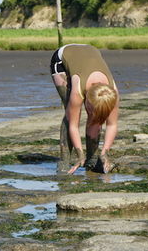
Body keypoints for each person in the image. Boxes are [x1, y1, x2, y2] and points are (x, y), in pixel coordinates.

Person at [50, 44, 119, 174]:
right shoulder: (78, 92)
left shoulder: (112, 94)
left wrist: (105, 153)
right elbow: (73, 125)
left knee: (96, 118)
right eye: (90, 110)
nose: (90, 114)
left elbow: (112, 125)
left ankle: (92, 160)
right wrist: (80, 154)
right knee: (70, 112)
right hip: (62, 59)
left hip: (90, 52)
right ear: (86, 99)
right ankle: (64, 160)